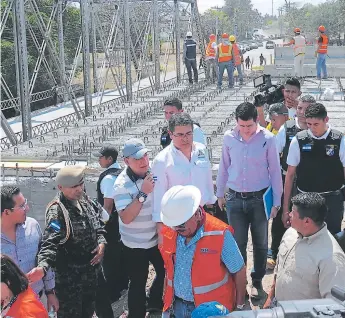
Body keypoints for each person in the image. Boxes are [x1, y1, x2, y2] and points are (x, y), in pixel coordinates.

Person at [216, 102, 283, 299]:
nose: (245, 130)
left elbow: (275, 172)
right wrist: (220, 193)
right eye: (242, 126)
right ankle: (240, 283)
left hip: (259, 199)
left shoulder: (267, 139)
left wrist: (276, 201)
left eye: (249, 126)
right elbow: (224, 167)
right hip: (235, 198)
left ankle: (257, 281)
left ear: (257, 121)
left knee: (261, 242)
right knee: (238, 243)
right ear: (236, 122)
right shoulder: (229, 138)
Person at [159, 185, 247, 317]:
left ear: (196, 214)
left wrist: (240, 307)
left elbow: (239, 270)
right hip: (176, 306)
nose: (177, 229)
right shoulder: (172, 230)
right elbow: (169, 269)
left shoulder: (219, 234)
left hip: (210, 311)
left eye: (181, 224)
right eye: (174, 225)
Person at [36, 165, 107, 318]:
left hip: (90, 275)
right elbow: (49, 242)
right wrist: (43, 266)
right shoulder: (58, 211)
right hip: (70, 282)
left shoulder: (84, 200)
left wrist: (101, 243)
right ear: (61, 187)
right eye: (74, 187)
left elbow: (97, 225)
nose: (79, 189)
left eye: (81, 184)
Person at [264, 193, 345, 307]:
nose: (289, 214)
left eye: (293, 212)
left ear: (307, 221)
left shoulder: (331, 258)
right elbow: (279, 270)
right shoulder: (290, 233)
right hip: (277, 308)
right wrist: (270, 298)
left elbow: (334, 306)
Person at [113, 138, 164, 318]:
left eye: (145, 156)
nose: (143, 161)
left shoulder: (155, 173)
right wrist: (143, 193)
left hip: (157, 238)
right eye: (137, 159)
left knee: (166, 271)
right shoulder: (121, 184)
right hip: (134, 245)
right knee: (138, 283)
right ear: (126, 161)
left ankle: (155, 302)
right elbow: (126, 217)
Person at [153, 112, 223, 241]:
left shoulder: (201, 150)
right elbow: (158, 196)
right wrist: (160, 228)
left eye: (189, 134)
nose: (185, 138)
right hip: (178, 220)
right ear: (170, 134)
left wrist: (212, 204)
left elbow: (207, 179)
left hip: (204, 214)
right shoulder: (162, 160)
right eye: (180, 135)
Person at [267, 95, 316, 269]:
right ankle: (274, 252)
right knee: (282, 216)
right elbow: (273, 156)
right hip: (285, 179)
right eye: (300, 108)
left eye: (307, 109)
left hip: (308, 182)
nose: (302, 113)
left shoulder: (316, 131)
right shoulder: (287, 129)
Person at [283, 103, 345, 235]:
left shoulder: (339, 140)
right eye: (309, 124)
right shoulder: (299, 140)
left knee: (332, 241)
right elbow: (290, 175)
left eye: (316, 124)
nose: (311, 128)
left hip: (332, 200)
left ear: (326, 120)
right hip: (305, 201)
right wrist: (285, 210)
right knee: (304, 241)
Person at [1, 186, 59, 312]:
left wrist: (50, 292)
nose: (27, 208)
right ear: (6, 212)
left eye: (25, 203)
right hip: (6, 309)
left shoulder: (33, 226)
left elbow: (44, 258)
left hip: (36, 300)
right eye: (21, 206)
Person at [93, 146, 128, 317]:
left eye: (100, 158)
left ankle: (114, 293)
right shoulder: (120, 173)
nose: (98, 160)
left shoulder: (107, 178)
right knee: (120, 257)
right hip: (123, 224)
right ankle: (122, 287)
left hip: (111, 227)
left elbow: (107, 206)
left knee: (110, 261)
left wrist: (100, 226)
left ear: (109, 159)